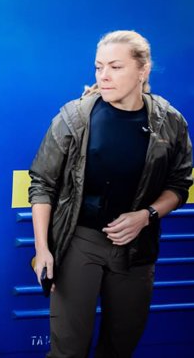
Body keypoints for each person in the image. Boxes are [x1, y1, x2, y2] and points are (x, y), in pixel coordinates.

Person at [29, 30, 193, 357]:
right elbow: (42, 184)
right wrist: (43, 250)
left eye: (115, 67)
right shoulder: (75, 117)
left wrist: (146, 216)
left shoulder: (169, 123)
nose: (104, 76)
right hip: (80, 242)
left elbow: (179, 184)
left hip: (136, 250)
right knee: (69, 349)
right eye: (98, 67)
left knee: (120, 346)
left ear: (143, 71)